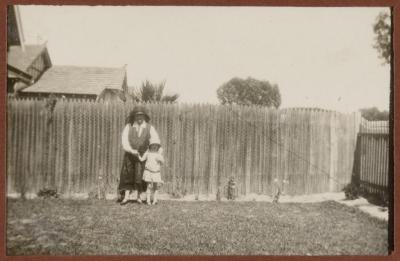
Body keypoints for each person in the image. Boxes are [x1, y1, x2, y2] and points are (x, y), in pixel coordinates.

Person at [118, 105, 160, 205]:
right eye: (137, 116)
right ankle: (126, 197)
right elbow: (124, 142)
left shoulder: (150, 128)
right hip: (130, 155)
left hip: (143, 156)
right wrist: (131, 151)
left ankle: (139, 197)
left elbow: (155, 141)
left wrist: (147, 153)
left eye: (141, 116)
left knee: (140, 175)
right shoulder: (129, 127)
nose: (139, 118)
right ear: (134, 117)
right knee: (127, 174)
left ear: (145, 117)